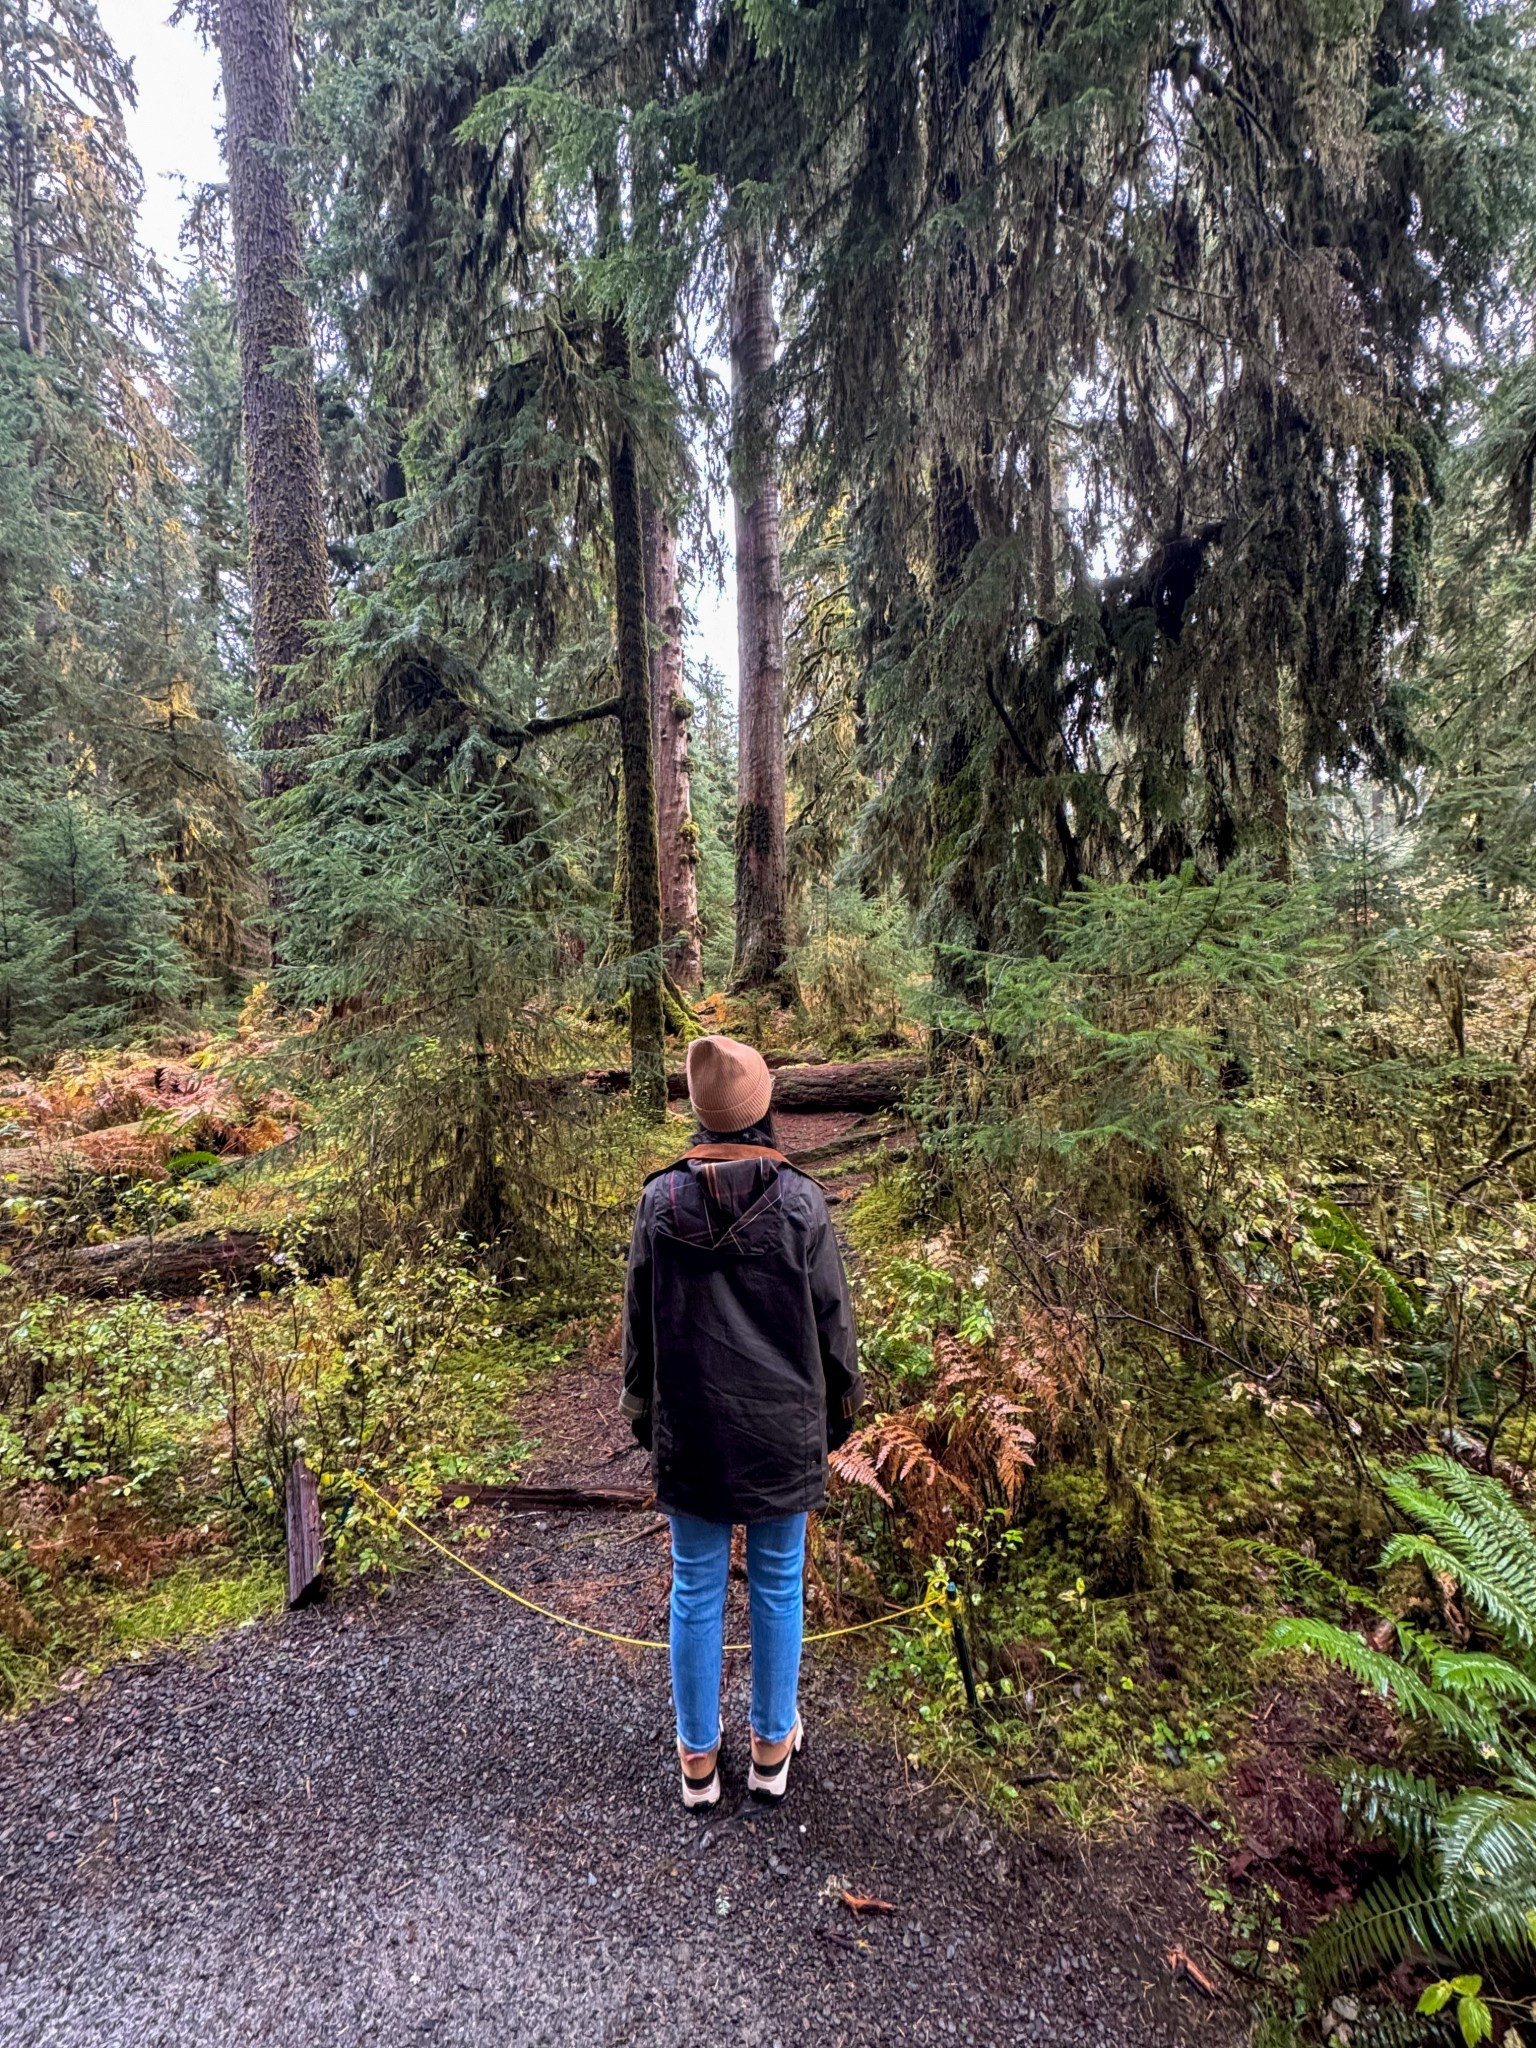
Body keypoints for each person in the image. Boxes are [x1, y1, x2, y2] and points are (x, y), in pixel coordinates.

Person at [621, 1033, 862, 1808]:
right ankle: (769, 1749)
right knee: (778, 1583)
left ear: (701, 1113)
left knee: (694, 1585)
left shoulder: (659, 1203)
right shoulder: (800, 1203)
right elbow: (833, 1327)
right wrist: (839, 1415)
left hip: (692, 1427)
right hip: (781, 1430)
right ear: (761, 1109)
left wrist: (643, 1417)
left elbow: (639, 1331)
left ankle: (697, 1761)